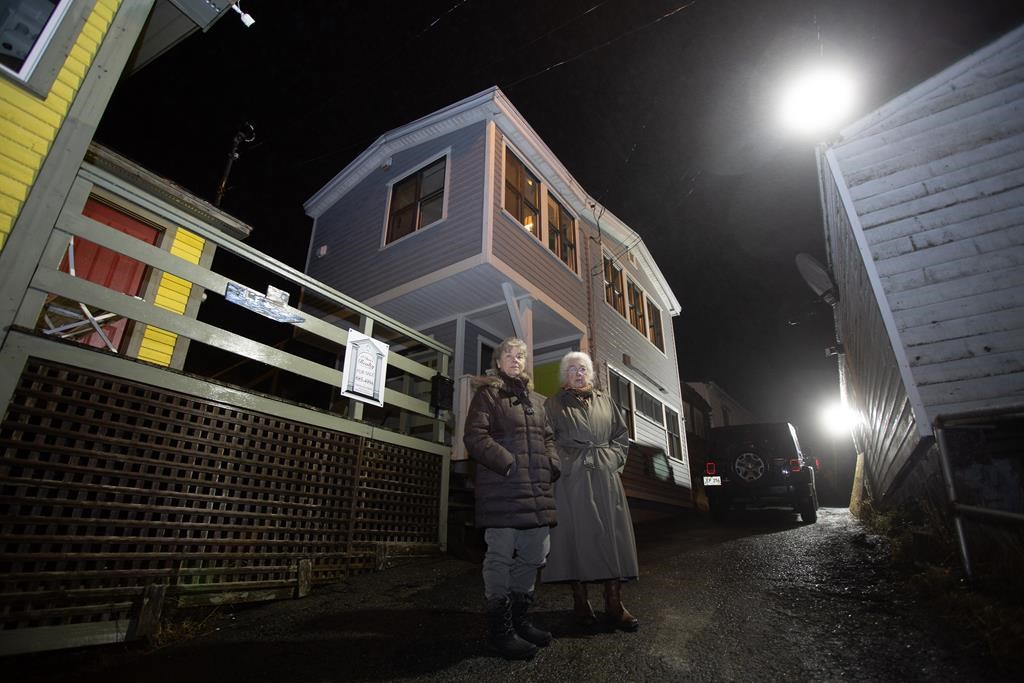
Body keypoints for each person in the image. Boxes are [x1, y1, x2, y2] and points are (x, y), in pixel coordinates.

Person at [463, 337, 561, 660]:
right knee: (500, 557)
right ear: (498, 361)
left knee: (536, 554)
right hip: (503, 491)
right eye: (509, 354)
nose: (516, 359)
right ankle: (499, 631)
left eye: (520, 355)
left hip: (537, 492)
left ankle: (519, 619)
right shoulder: (488, 395)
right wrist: (508, 463)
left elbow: (548, 438)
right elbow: (474, 436)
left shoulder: (536, 401)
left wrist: (552, 463)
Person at [542, 351, 640, 632]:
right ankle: (581, 602)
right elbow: (547, 438)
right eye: (573, 369)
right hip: (572, 478)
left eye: (583, 368)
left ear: (591, 373)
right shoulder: (553, 403)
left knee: (612, 535)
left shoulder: (605, 401)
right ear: (566, 374)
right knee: (575, 536)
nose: (579, 373)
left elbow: (620, 436)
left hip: (605, 475)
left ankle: (614, 602)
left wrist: (612, 461)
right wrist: (566, 462)